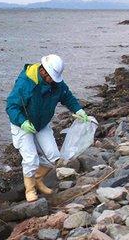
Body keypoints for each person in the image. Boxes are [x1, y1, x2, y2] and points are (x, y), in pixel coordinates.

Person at [6, 54, 88, 202]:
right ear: (43, 71)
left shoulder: (56, 84)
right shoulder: (26, 83)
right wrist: (23, 122)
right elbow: (11, 106)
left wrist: (78, 110)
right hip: (22, 124)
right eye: (51, 77)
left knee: (53, 156)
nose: (53, 81)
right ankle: (30, 190)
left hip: (42, 123)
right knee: (31, 158)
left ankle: (37, 179)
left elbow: (67, 96)